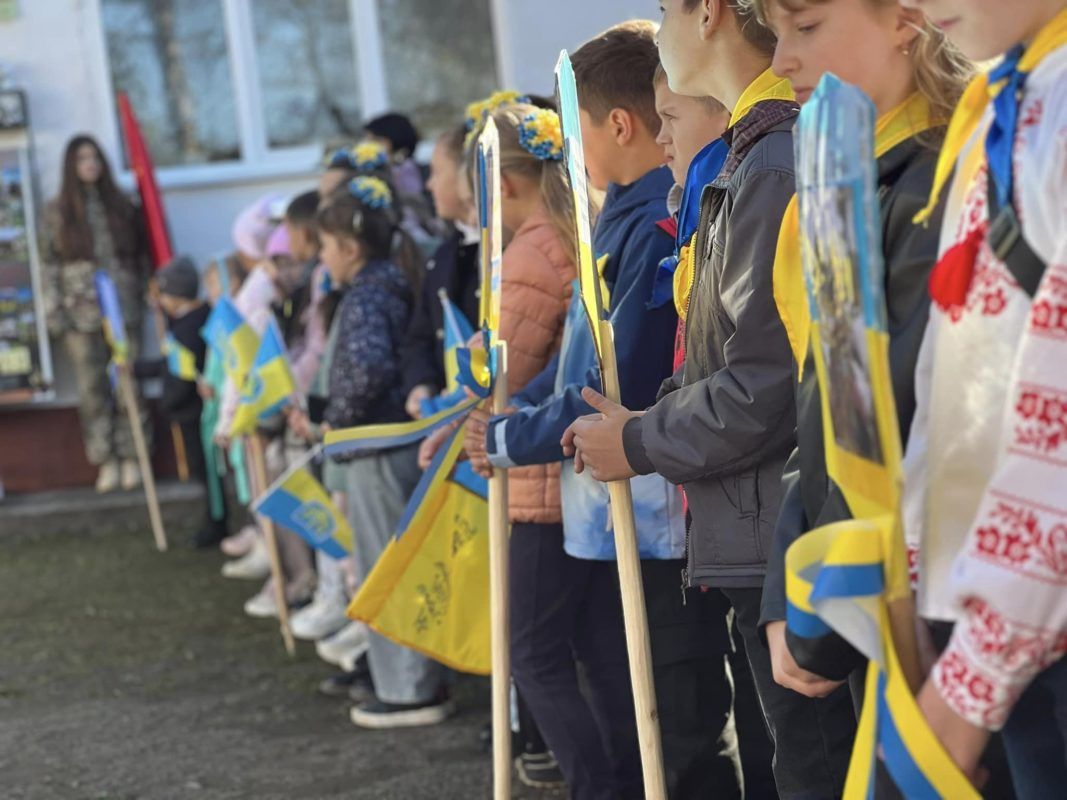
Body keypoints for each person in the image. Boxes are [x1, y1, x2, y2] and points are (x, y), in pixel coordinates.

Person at [560, 2, 857, 796]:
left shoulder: (771, 163)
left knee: (813, 768)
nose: (658, 28)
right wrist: (641, 422)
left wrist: (639, 438)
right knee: (791, 761)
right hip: (752, 524)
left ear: (709, 15)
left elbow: (764, 386)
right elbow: (723, 358)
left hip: (780, 526)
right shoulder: (744, 163)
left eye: (665, 10)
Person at [466, 23, 743, 799]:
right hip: (609, 519)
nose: (568, 154)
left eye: (575, 131)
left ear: (617, 125)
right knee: (629, 709)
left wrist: (511, 436)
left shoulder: (654, 223)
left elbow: (619, 381)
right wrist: (511, 412)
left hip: (656, 518)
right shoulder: (612, 220)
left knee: (678, 728)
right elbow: (577, 364)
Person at [741, 0, 970, 703]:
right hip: (865, 588)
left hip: (940, 597)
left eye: (806, 27)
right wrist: (790, 586)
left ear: (904, 19)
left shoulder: (940, 185)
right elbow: (823, 403)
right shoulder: (855, 175)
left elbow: (888, 415)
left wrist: (820, 620)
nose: (781, 60)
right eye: (776, 34)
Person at [894, 0, 1067, 794]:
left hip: (1018, 614)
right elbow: (952, 374)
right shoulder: (1011, 99)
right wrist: (922, 569)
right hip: (1003, 607)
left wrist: (977, 669)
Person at [288, 176, 451, 728]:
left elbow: (367, 371)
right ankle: (408, 679)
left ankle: (410, 688)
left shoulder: (367, 294)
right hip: (386, 444)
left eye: (326, 246)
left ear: (350, 248)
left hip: (377, 448)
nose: (322, 257)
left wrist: (330, 417)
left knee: (387, 567)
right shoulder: (386, 284)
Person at [42, 134, 151, 493]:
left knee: (127, 380)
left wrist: (146, 290)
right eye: (82, 159)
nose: (90, 164)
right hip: (80, 313)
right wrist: (54, 312)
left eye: (95, 158)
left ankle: (134, 454)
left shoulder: (123, 205)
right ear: (71, 166)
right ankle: (106, 459)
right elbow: (48, 265)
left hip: (123, 308)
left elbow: (141, 255)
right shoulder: (57, 211)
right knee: (92, 388)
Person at [134, 256, 222, 547]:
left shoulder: (188, 329)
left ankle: (217, 522)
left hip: (195, 412)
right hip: (189, 410)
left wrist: (169, 403)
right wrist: (137, 369)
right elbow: (168, 364)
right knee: (202, 471)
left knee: (207, 472)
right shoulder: (186, 322)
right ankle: (213, 519)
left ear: (174, 294)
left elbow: (180, 374)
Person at [400, 123, 481, 420]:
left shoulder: (504, 249)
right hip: (451, 417)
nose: (428, 185)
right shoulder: (443, 256)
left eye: (436, 172)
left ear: (466, 175)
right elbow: (420, 336)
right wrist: (421, 384)